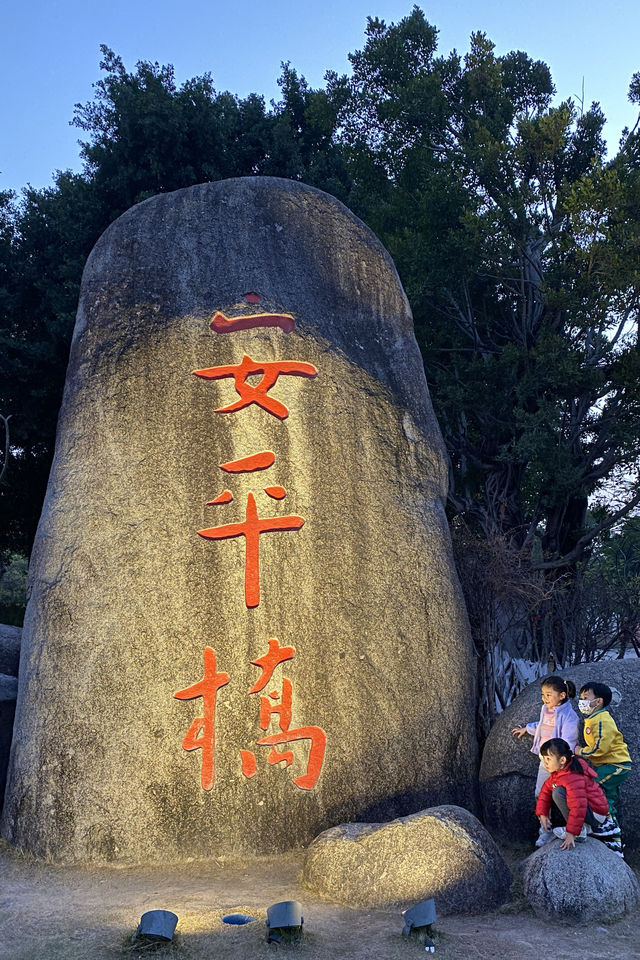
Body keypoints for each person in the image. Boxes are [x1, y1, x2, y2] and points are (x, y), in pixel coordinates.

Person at [512, 675, 580, 846]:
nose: (544, 698)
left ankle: (577, 828)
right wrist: (527, 729)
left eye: (548, 695)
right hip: (545, 762)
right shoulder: (546, 709)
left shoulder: (570, 717)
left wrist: (561, 761)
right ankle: (545, 831)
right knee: (540, 795)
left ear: (562, 696)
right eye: (543, 694)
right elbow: (543, 726)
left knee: (567, 797)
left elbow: (569, 742)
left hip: (561, 765)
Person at [574, 682, 632, 857]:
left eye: (586, 698)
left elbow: (600, 747)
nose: (581, 701)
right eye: (581, 697)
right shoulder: (594, 718)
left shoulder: (601, 719)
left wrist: (580, 751)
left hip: (616, 766)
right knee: (607, 799)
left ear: (598, 701)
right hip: (611, 766)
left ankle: (604, 828)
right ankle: (614, 836)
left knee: (593, 788)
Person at [536, 737, 610, 851]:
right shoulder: (562, 771)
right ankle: (582, 827)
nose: (545, 763)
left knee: (558, 792)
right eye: (544, 758)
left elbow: (578, 806)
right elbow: (545, 790)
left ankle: (580, 831)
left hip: (595, 813)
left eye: (548, 759)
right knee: (555, 790)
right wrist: (543, 813)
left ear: (562, 760)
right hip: (589, 809)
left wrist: (572, 833)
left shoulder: (572, 777)